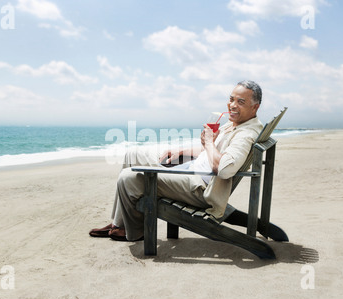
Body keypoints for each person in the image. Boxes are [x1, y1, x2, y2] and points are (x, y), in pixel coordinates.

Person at [89, 80, 264, 241]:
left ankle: (135, 231)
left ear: (254, 107)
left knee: (128, 177)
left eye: (240, 102)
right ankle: (118, 224)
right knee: (132, 154)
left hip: (199, 188)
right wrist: (183, 151)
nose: (232, 105)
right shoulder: (235, 123)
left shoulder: (245, 134)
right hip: (191, 169)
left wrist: (210, 142)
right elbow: (207, 152)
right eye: (231, 99)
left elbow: (225, 169)